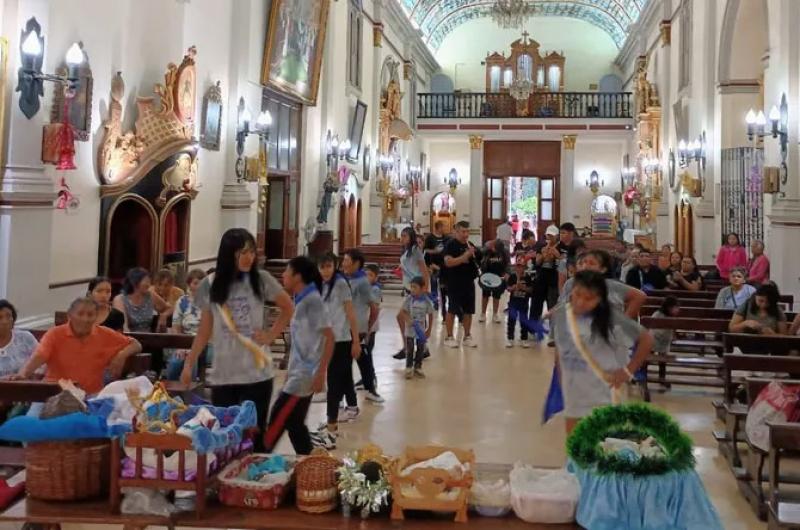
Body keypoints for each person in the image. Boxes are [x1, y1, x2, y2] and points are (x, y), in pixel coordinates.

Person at [180, 228, 294, 452]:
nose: (249, 258)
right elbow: (205, 328)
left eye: (252, 252)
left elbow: (288, 307)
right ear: (228, 253)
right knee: (224, 434)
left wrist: (270, 335)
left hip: (256, 372)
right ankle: (227, 481)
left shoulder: (261, 279)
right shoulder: (210, 284)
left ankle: (253, 482)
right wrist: (189, 363)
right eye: (243, 252)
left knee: (255, 433)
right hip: (225, 372)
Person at [550, 271, 653, 434]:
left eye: (588, 298)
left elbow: (646, 339)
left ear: (599, 299)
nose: (581, 302)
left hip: (604, 390)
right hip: (575, 390)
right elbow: (561, 352)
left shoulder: (612, 320)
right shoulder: (565, 318)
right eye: (577, 295)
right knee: (575, 440)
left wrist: (628, 370)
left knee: (603, 440)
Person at [264, 257, 334, 456]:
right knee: (295, 425)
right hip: (298, 373)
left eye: (287, 271)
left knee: (275, 425)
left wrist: (321, 374)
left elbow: (330, 338)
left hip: (304, 376)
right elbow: (302, 340)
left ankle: (256, 466)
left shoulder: (313, 301)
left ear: (298, 276)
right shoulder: (301, 298)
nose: (283, 275)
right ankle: (312, 467)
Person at [14, 297, 142, 394]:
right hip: (54, 393)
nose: (85, 319)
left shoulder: (105, 334)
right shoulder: (55, 334)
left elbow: (136, 344)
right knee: (34, 422)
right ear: (70, 315)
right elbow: (39, 355)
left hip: (90, 395)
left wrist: (121, 355)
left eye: (90, 315)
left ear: (96, 317)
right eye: (80, 314)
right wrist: (23, 374)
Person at [310, 254, 361, 450]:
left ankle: (331, 430)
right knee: (340, 379)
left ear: (335, 266)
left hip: (341, 341)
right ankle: (335, 421)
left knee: (334, 383)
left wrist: (356, 341)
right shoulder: (317, 284)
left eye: (329, 266)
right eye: (322, 267)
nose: (325, 271)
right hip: (324, 341)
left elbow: (350, 314)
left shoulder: (340, 284)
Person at [342, 250, 382, 404]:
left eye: (347, 260)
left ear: (356, 263)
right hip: (345, 326)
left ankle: (364, 392)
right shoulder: (346, 279)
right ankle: (369, 389)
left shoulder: (362, 281)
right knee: (362, 360)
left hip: (357, 327)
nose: (344, 263)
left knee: (356, 360)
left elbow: (374, 307)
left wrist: (368, 328)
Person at [559, 250, 646, 318]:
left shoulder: (612, 284)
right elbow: (561, 306)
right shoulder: (571, 282)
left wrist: (625, 320)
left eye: (591, 263)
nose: (585, 266)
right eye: (583, 263)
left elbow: (640, 296)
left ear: (603, 269)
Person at [443, 221, 481, 348]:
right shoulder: (450, 245)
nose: (466, 234)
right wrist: (464, 256)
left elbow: (476, 261)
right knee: (452, 309)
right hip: (454, 282)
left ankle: (467, 336)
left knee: (468, 310)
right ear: (456, 232)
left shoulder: (470, 245)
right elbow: (448, 262)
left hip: (468, 282)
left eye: (467, 231)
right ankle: (449, 336)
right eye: (463, 232)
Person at [165, 269, 207, 380]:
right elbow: (176, 326)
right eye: (196, 283)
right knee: (176, 362)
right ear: (189, 284)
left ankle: (189, 393)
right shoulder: (182, 301)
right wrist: (180, 346)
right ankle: (170, 392)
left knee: (191, 360)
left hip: (204, 341)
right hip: (185, 342)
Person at [113, 268, 172, 333]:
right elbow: (124, 328)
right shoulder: (120, 299)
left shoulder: (150, 295)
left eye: (149, 282)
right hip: (129, 338)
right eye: (146, 281)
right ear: (135, 282)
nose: (148, 285)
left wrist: (164, 315)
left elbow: (170, 308)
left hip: (149, 338)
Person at [398, 276, 435, 379]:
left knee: (420, 349)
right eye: (411, 287)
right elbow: (403, 311)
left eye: (415, 287)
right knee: (409, 349)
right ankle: (409, 367)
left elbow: (431, 315)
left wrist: (429, 330)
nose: (412, 289)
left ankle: (418, 367)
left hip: (421, 330)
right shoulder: (409, 299)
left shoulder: (426, 301)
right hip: (410, 330)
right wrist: (408, 320)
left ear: (423, 288)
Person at [359, 263, 384, 401]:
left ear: (376, 277)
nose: (367, 277)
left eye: (370, 275)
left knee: (367, 354)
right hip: (363, 327)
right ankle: (365, 378)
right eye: (365, 274)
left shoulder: (374, 289)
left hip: (370, 328)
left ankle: (371, 379)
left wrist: (368, 330)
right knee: (364, 355)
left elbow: (374, 309)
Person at [530, 225, 561, 320]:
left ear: (557, 236)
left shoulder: (560, 247)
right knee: (536, 301)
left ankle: (554, 327)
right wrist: (544, 255)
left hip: (554, 277)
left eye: (552, 236)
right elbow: (537, 262)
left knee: (552, 303)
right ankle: (533, 326)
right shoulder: (541, 246)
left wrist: (556, 254)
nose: (550, 238)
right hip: (541, 276)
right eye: (548, 235)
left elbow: (561, 261)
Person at [0, 300, 38, 377]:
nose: (5, 321)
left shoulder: (25, 338)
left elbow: (42, 361)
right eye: (0, 317)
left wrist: (25, 374)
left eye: (8, 316)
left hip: (23, 386)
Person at [479, 239, 510, 323]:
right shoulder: (486, 249)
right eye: (494, 249)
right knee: (485, 295)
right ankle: (483, 314)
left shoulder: (504, 251)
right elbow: (479, 255)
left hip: (499, 276)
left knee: (497, 296)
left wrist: (507, 273)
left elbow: (507, 263)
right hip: (487, 275)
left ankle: (495, 314)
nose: (495, 251)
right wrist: (487, 248)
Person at [424, 221, 450, 321]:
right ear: (438, 227)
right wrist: (435, 251)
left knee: (444, 287)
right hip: (433, 264)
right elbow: (426, 250)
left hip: (444, 266)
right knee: (434, 285)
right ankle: (435, 303)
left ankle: (444, 305)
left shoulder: (446, 237)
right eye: (444, 226)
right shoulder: (430, 238)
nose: (445, 228)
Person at [506, 258, 534, 348]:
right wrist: (513, 287)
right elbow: (508, 288)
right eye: (517, 266)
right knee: (511, 320)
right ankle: (510, 339)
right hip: (513, 302)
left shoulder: (528, 277)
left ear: (524, 267)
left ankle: (524, 339)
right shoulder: (512, 277)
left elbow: (531, 290)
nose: (519, 268)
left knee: (524, 320)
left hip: (523, 303)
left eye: (521, 266)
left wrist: (523, 288)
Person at [557, 222, 582, 290]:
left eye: (563, 233)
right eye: (560, 233)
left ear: (571, 233)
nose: (561, 235)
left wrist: (558, 256)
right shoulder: (560, 244)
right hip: (562, 275)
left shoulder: (578, 245)